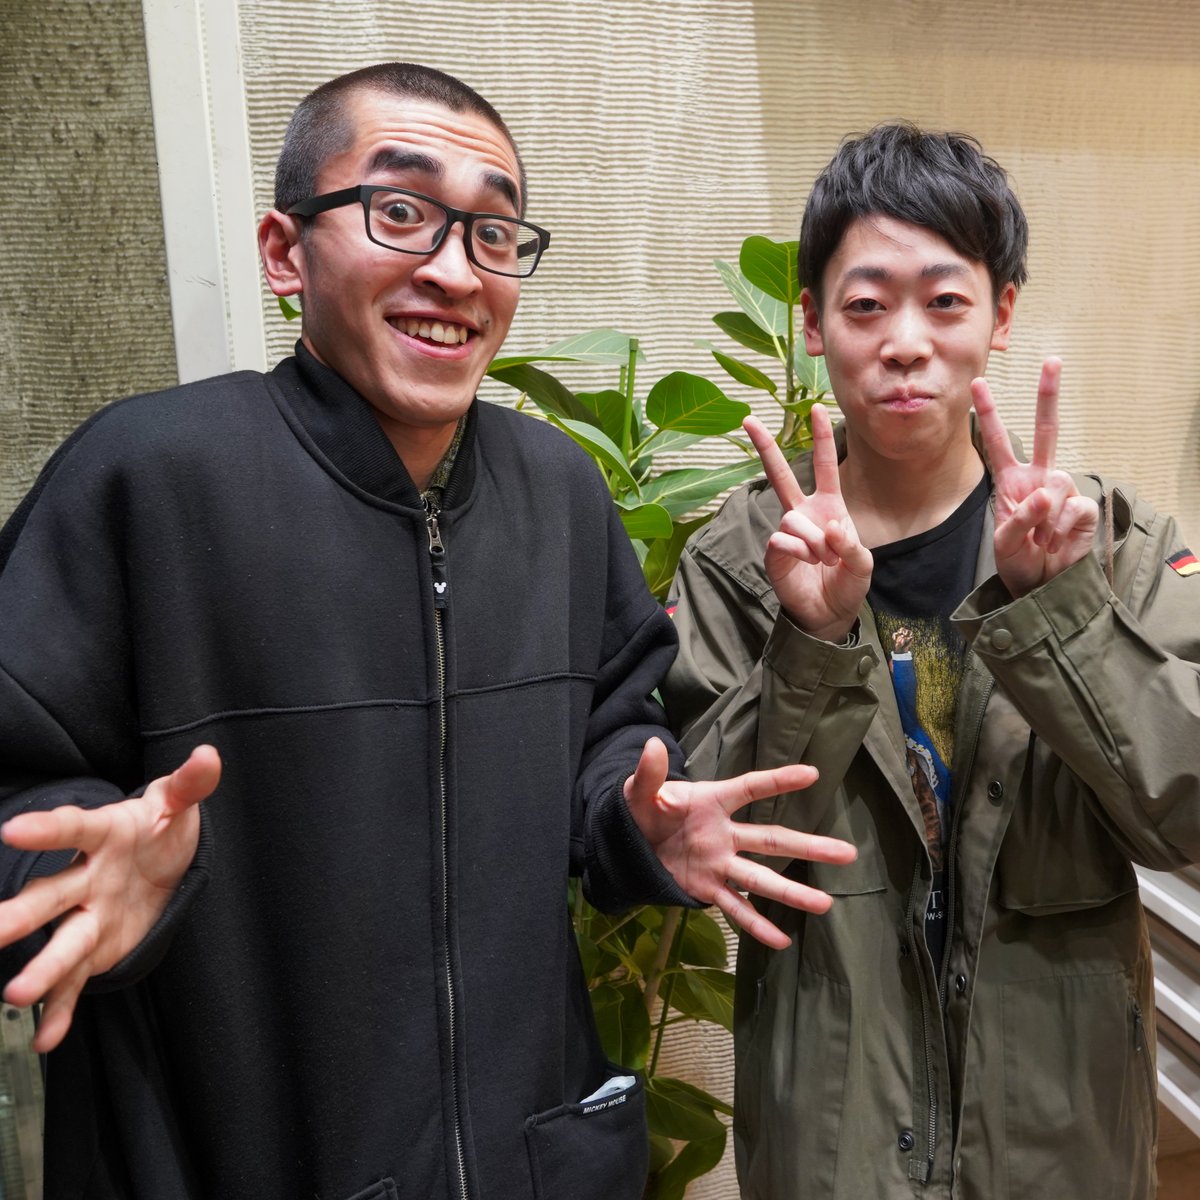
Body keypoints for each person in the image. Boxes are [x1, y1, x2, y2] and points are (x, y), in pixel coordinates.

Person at [0, 64, 856, 1200]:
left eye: (494, 233)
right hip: (244, 1151)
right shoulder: (149, 479)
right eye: (399, 211)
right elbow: (20, 772)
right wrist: (73, 864)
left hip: (527, 1156)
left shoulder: (558, 491)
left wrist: (636, 815)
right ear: (284, 252)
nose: (455, 271)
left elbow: (614, 724)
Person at [662, 123, 1200, 1200]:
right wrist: (811, 638)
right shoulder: (738, 560)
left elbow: (1182, 813)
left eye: (945, 301)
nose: (905, 343)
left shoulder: (1112, 542)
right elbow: (724, 848)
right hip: (836, 1117)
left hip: (1060, 1120)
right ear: (811, 321)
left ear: (1001, 315)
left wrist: (1061, 613)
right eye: (866, 305)